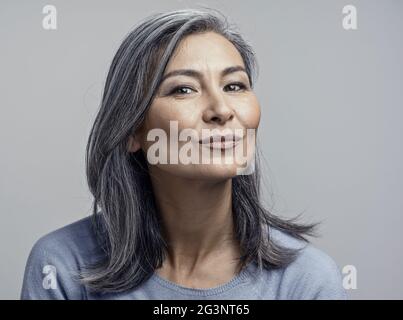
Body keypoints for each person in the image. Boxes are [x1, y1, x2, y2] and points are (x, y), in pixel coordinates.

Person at [21, 8, 347, 300]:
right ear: (133, 130)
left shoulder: (307, 280)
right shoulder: (63, 266)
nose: (221, 110)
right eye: (183, 89)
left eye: (234, 85)